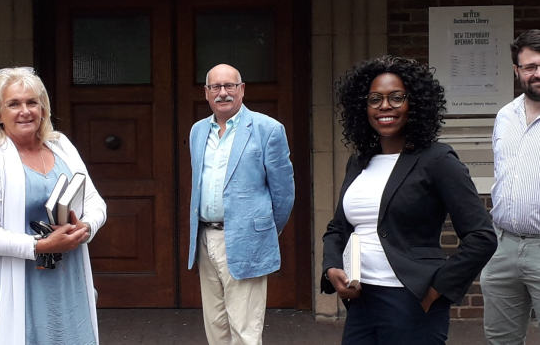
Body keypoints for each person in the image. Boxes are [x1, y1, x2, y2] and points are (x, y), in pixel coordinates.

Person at [321, 56, 497, 345]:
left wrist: (435, 292)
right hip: (362, 300)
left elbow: (482, 237)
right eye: (374, 99)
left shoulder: (437, 160)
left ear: (414, 104)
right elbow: (338, 228)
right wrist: (332, 268)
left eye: (396, 97)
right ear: (362, 107)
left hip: (411, 300)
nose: (385, 106)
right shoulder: (359, 162)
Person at [0, 67, 106, 345]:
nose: (24, 111)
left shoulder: (61, 145)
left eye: (31, 102)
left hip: (68, 278)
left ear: (43, 108)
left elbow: (95, 201)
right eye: (13, 104)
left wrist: (86, 227)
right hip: (20, 282)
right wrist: (41, 246)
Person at [187, 63, 295, 345]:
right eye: (216, 87)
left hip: (246, 241)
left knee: (245, 331)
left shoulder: (268, 129)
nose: (223, 93)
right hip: (205, 238)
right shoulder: (198, 131)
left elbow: (283, 193)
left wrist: (263, 232)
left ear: (242, 90)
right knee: (216, 327)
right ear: (207, 93)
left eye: (229, 86)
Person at [482, 29, 540, 344]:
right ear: (517, 71)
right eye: (530, 67)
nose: (538, 73)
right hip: (502, 246)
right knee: (500, 339)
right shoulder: (505, 116)